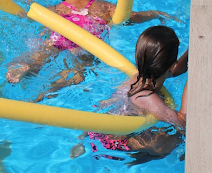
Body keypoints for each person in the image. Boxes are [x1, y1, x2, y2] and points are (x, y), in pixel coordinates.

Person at [6, 0, 174, 84]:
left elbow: (33, 17)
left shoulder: (57, 9)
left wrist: (27, 3)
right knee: (80, 71)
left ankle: (27, 67)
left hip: (61, 36)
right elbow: (132, 17)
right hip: (88, 43)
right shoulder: (103, 7)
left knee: (44, 52)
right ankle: (56, 87)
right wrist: (156, 13)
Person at [71, 25, 188, 161]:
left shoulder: (139, 77)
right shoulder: (148, 98)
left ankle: (83, 139)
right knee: (171, 141)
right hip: (115, 143)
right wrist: (191, 82)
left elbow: (176, 70)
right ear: (172, 65)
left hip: (100, 126)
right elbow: (182, 122)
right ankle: (139, 158)